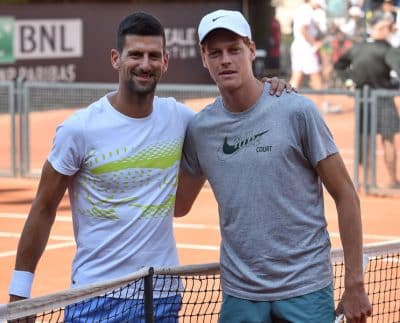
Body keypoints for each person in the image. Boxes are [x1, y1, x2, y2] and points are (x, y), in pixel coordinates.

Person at [7, 11, 291, 322]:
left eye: (154, 56)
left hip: (160, 296)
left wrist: (268, 90)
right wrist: (21, 294)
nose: (145, 64)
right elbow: (44, 207)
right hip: (94, 296)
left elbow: (233, 112)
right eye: (136, 55)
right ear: (116, 59)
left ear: (166, 61)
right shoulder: (79, 130)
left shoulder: (181, 120)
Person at [175, 9, 372, 322]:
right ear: (203, 58)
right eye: (215, 53)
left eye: (234, 50)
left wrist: (355, 283)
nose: (225, 60)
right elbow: (178, 205)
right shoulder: (200, 130)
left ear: (251, 50)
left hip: (305, 290)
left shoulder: (296, 110)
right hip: (241, 295)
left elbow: (346, 194)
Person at [334, 10, 400, 189]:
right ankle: (393, 181)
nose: (391, 28)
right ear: (380, 28)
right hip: (383, 99)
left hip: (363, 100)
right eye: (388, 26)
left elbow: (339, 65)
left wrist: (349, 80)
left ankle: (363, 180)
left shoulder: (358, 48)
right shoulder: (388, 49)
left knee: (365, 139)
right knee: (388, 140)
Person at [289, 0, 327, 89]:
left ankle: (284, 101)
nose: (319, 7)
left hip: (299, 46)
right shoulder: (307, 10)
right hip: (305, 47)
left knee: (296, 77)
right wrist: (314, 44)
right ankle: (322, 102)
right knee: (315, 76)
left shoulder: (303, 9)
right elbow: (303, 29)